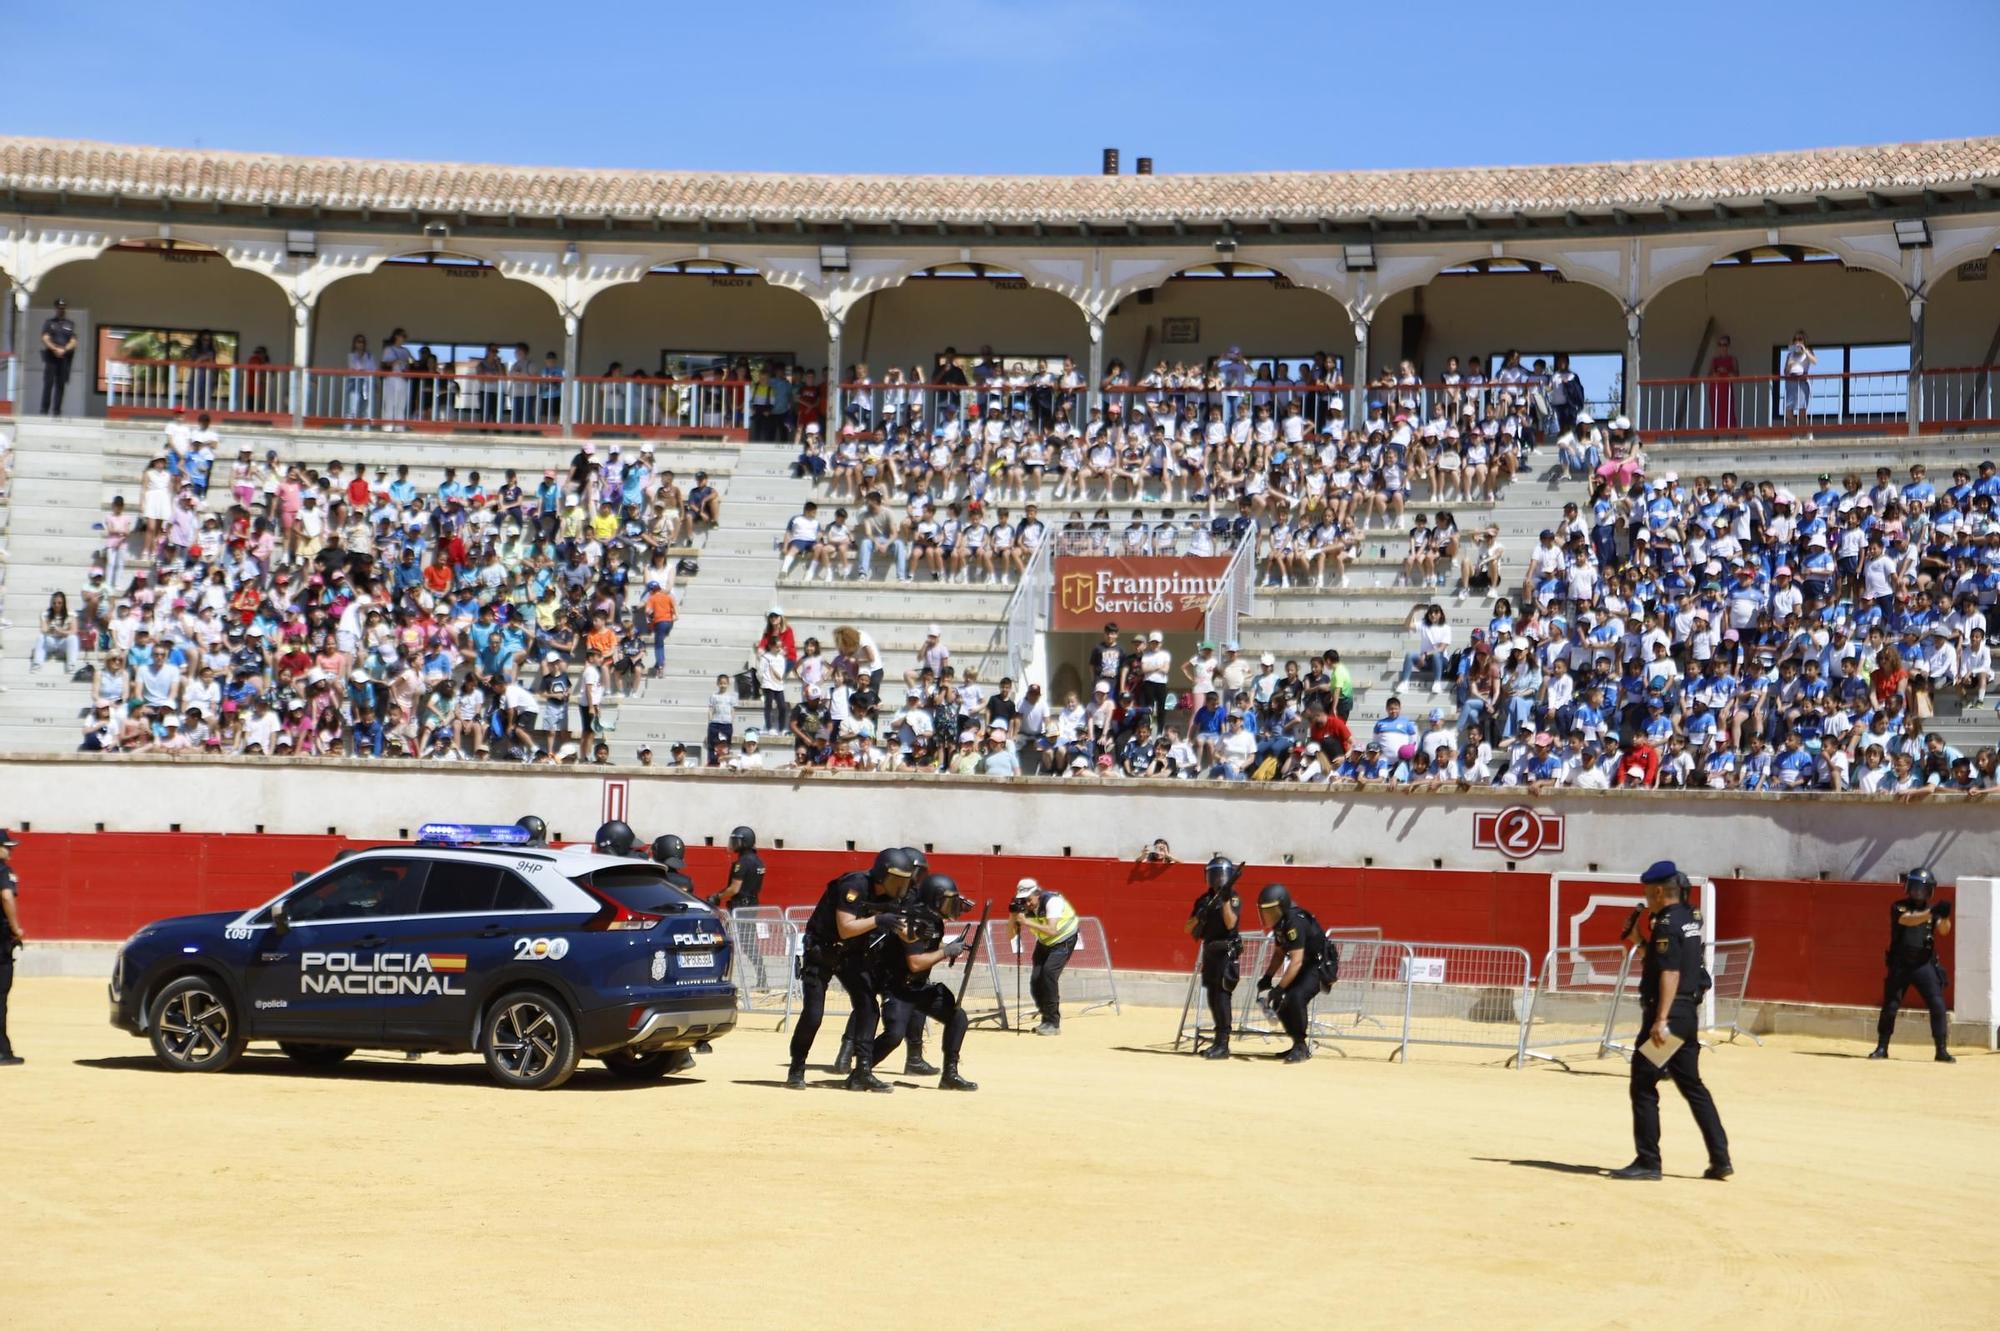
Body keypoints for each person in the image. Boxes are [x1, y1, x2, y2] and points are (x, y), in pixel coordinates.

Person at [1610, 861, 1732, 1182]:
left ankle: (1648, 1161)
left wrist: (1660, 1018)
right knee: (1692, 1086)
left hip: (1670, 1016)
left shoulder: (1665, 923)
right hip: (1687, 1015)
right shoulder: (1688, 918)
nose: (1646, 898)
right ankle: (1721, 1158)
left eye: (1648, 893)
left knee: (1643, 1083)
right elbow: (1667, 960)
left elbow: (1671, 972)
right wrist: (1640, 940)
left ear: (1660, 891)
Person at [786, 847, 919, 1091]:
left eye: (904, 881)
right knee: (813, 1014)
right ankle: (797, 1068)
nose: (901, 886)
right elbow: (845, 927)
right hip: (821, 953)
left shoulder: (891, 898)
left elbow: (906, 933)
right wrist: (879, 920)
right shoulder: (854, 885)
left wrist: (919, 933)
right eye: (896, 880)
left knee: (868, 1008)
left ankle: (862, 1072)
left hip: (852, 955)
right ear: (882, 875)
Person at [863, 873, 980, 1091]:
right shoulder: (914, 921)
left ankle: (950, 1074)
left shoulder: (935, 922)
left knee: (958, 1017)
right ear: (934, 901)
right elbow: (916, 963)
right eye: (947, 901)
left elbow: (929, 954)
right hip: (898, 988)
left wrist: (949, 948)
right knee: (894, 1036)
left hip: (918, 987)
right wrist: (945, 952)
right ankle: (861, 1071)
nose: (951, 906)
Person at [1870, 868, 1956, 1063]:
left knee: (1937, 1005)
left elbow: (1944, 931)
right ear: (1909, 888)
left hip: (1923, 965)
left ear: (1929, 891)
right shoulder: (1899, 907)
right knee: (1890, 1006)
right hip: (1900, 964)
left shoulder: (1932, 911)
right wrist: (1931, 913)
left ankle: (1941, 1050)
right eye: (1915, 888)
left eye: (1922, 889)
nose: (1918, 892)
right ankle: (1882, 1047)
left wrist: (1944, 916)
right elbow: (1908, 920)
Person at [1253, 883, 1337, 1063]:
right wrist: (1267, 977)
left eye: (1271, 910)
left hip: (1318, 964)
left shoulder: (1294, 921)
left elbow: (1296, 960)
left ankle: (1301, 1047)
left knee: (1296, 997)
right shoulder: (1280, 923)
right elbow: (1279, 953)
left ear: (1281, 906)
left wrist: (1280, 988)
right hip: (1304, 964)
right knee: (1281, 1001)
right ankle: (1297, 1043)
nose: (1267, 915)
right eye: (1264, 911)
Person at [1186, 855, 1243, 1059]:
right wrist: (1200, 916)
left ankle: (1223, 1043)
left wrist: (1225, 898)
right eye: (1214, 874)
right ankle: (1217, 1041)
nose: (1218, 879)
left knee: (1222, 996)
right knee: (1212, 996)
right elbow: (1188, 928)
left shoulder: (1232, 898)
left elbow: (1230, 924)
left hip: (1226, 953)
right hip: (1209, 951)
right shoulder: (1203, 900)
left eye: (1221, 875)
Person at [1009, 876, 1078, 1035]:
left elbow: (1052, 930)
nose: (1026, 903)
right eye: (1022, 900)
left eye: (1028, 899)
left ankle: (1053, 1023)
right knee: (1036, 980)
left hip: (1063, 939)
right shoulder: (1022, 908)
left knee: (1048, 974)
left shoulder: (1052, 901)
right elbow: (1009, 935)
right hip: (1044, 942)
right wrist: (1013, 917)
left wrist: (1026, 922)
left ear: (1037, 894)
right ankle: (1046, 1018)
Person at [0, 829, 19, 1065]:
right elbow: (6, 897)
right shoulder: (3, 871)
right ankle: (2, 1050)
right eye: (7, 846)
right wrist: (16, 929)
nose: (10, 850)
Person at [40, 300, 77, 415]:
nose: (61, 309)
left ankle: (57, 411)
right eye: (59, 307)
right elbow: (45, 338)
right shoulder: (49, 323)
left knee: (60, 385)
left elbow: (73, 341)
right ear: (56, 309)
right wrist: (54, 349)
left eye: (63, 307)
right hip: (51, 357)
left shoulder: (70, 324)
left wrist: (64, 349)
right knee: (48, 384)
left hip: (64, 358)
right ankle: (44, 410)